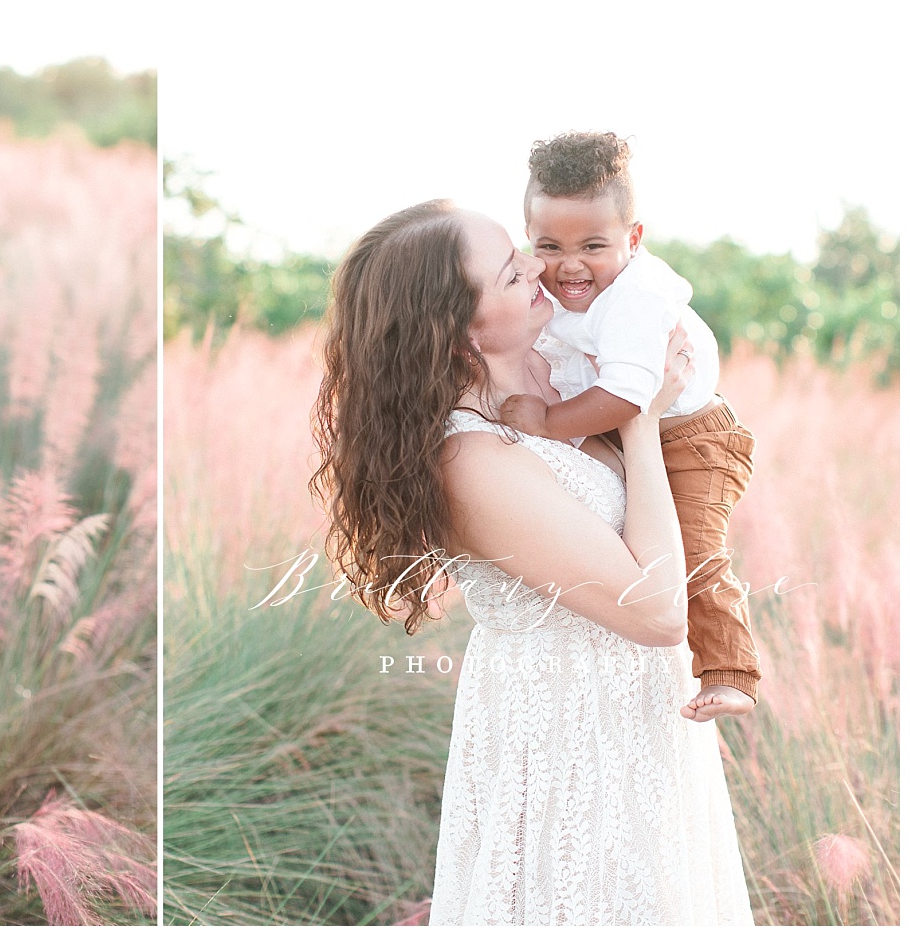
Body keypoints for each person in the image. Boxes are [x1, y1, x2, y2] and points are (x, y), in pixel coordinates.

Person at [310, 200, 752, 924]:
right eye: (514, 272)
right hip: (568, 735)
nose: (542, 267)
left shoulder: (558, 388)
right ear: (459, 331)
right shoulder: (470, 458)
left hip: (637, 718)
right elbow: (657, 610)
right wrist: (638, 422)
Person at [497, 132, 759, 721]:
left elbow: (624, 397)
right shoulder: (560, 286)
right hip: (628, 426)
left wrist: (547, 421)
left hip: (693, 438)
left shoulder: (637, 297)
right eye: (549, 245)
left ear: (633, 239)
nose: (569, 264)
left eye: (593, 245)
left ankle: (731, 672)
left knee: (693, 548)